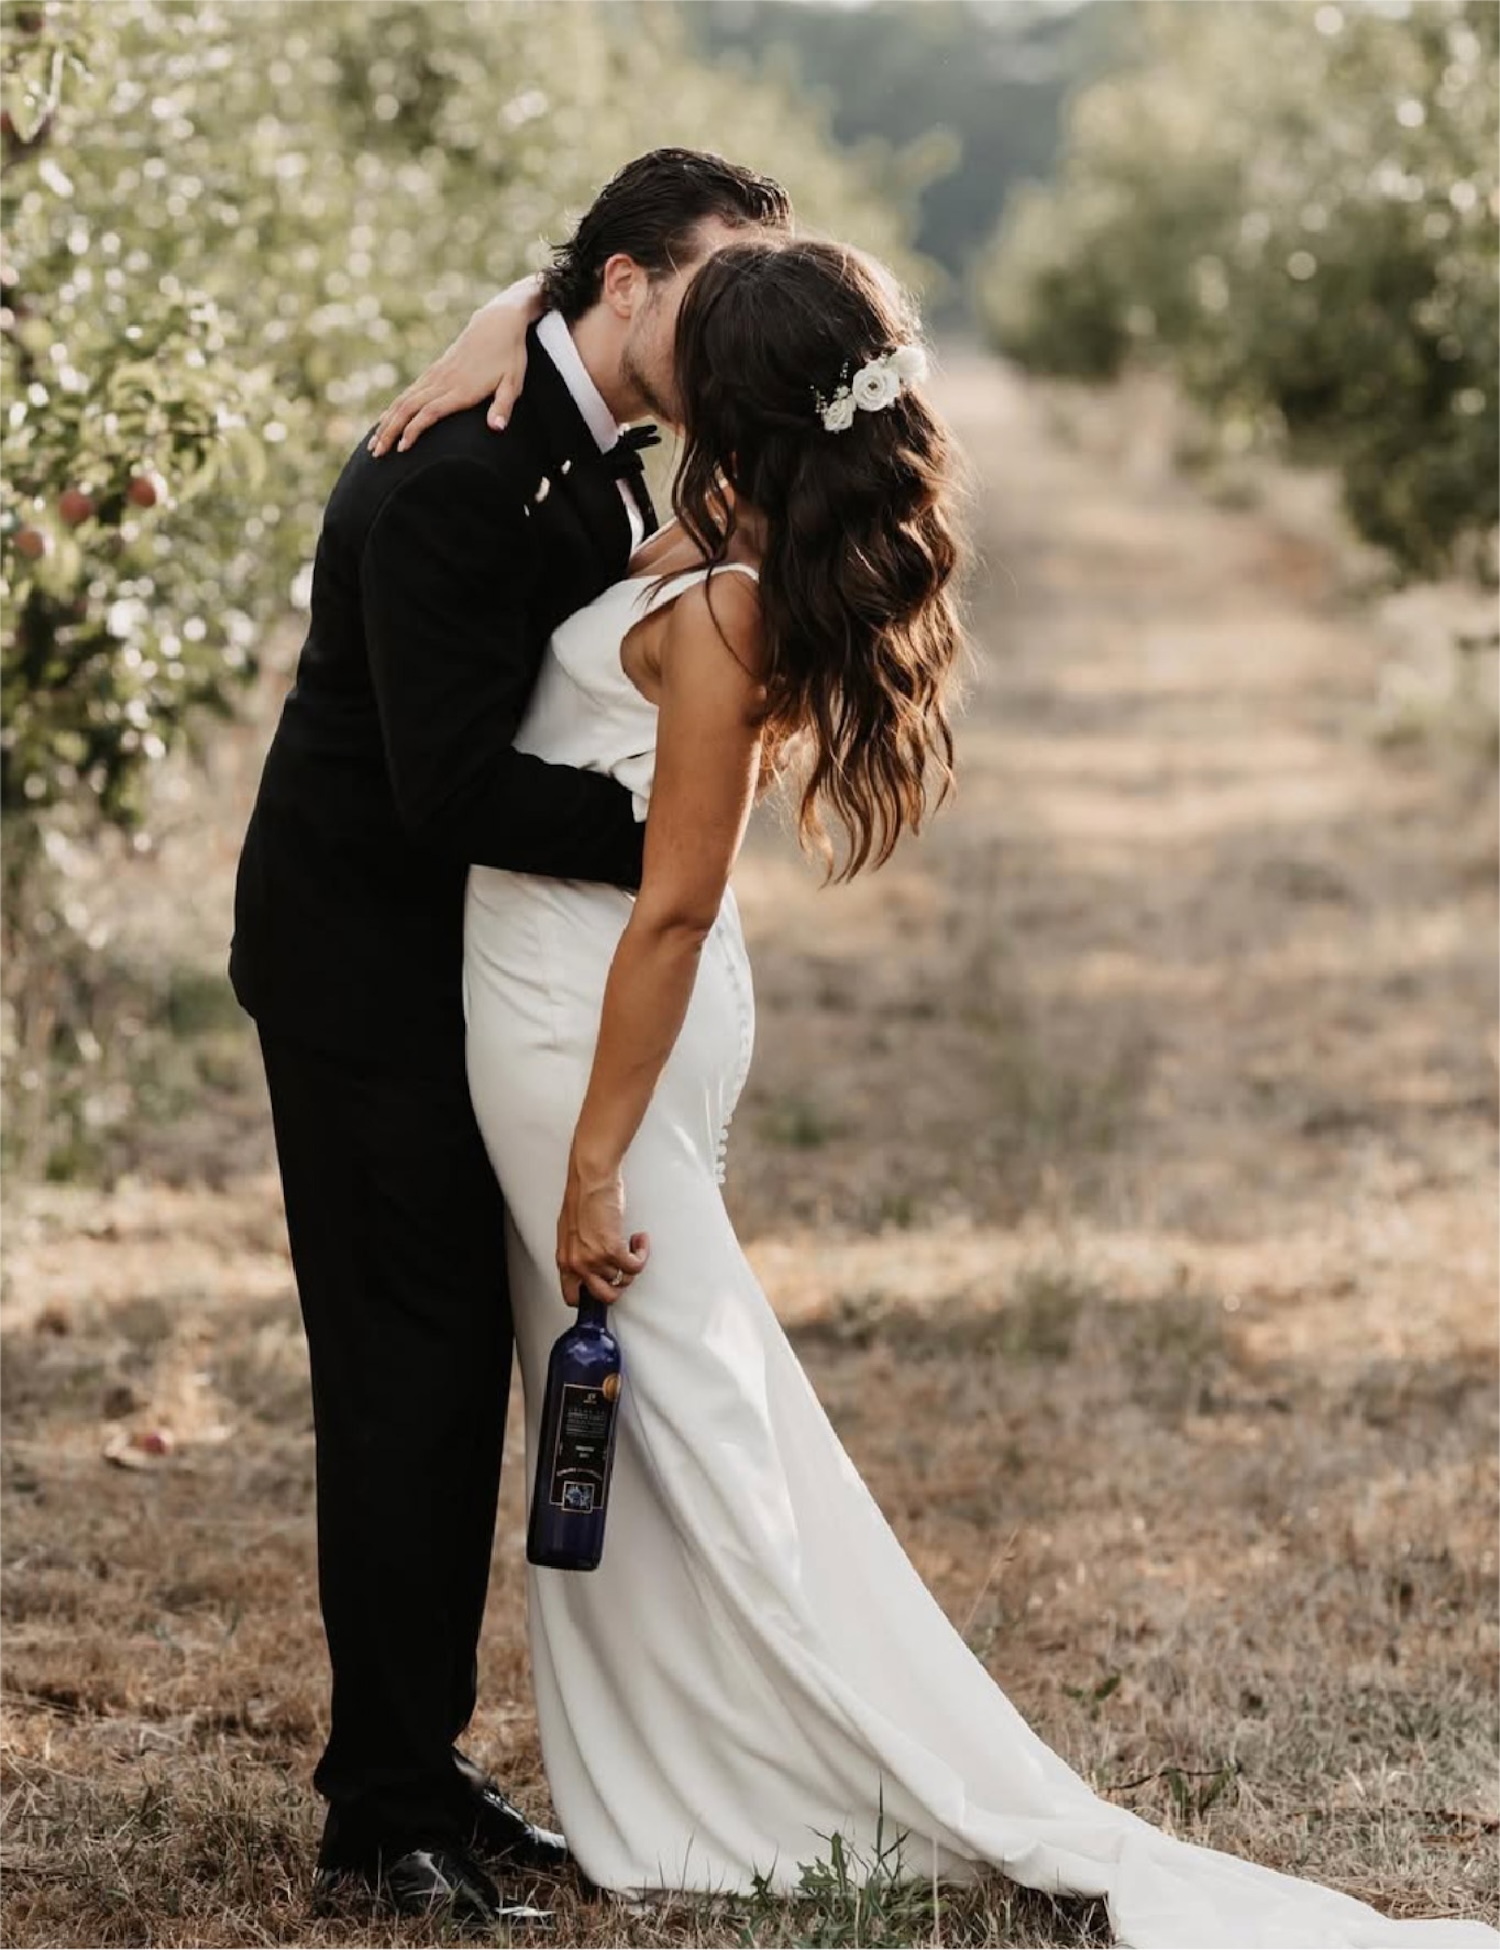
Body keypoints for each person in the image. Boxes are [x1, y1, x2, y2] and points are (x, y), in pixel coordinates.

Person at [374, 236, 1500, 1950]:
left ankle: (859, 1766)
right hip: (572, 1002)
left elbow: (675, 904)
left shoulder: (728, 607)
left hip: (591, 1024)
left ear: (738, 411)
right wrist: (510, 316)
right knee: (653, 1399)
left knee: (688, 1407)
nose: (661, 365)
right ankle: (694, 1748)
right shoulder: (727, 541)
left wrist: (596, 1155)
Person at [227, 148, 793, 1924]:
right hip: (365, 981)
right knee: (407, 1382)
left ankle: (428, 1760)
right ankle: (377, 1808)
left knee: (462, 1369)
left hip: (473, 976)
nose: (734, 330)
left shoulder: (571, 423)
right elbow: (451, 786)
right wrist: (674, 841)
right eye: (711, 294)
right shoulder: (460, 471)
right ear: (625, 285)